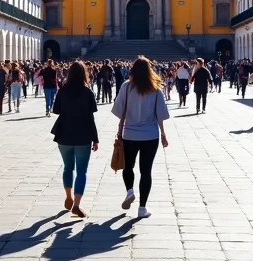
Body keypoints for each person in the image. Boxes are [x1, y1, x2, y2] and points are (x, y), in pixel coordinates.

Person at [113, 57, 170, 219]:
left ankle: (130, 191)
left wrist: (120, 129)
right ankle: (142, 208)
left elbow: (119, 111)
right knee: (146, 171)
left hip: (129, 134)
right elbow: (160, 116)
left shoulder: (126, 87)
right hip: (150, 136)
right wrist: (164, 135)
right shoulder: (156, 89)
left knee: (128, 166)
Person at [52, 61, 99, 218]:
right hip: (83, 135)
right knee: (81, 171)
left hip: (64, 134)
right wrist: (95, 138)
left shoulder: (63, 91)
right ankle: (77, 205)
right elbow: (90, 117)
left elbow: (56, 110)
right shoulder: (87, 93)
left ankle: (68, 196)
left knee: (67, 168)